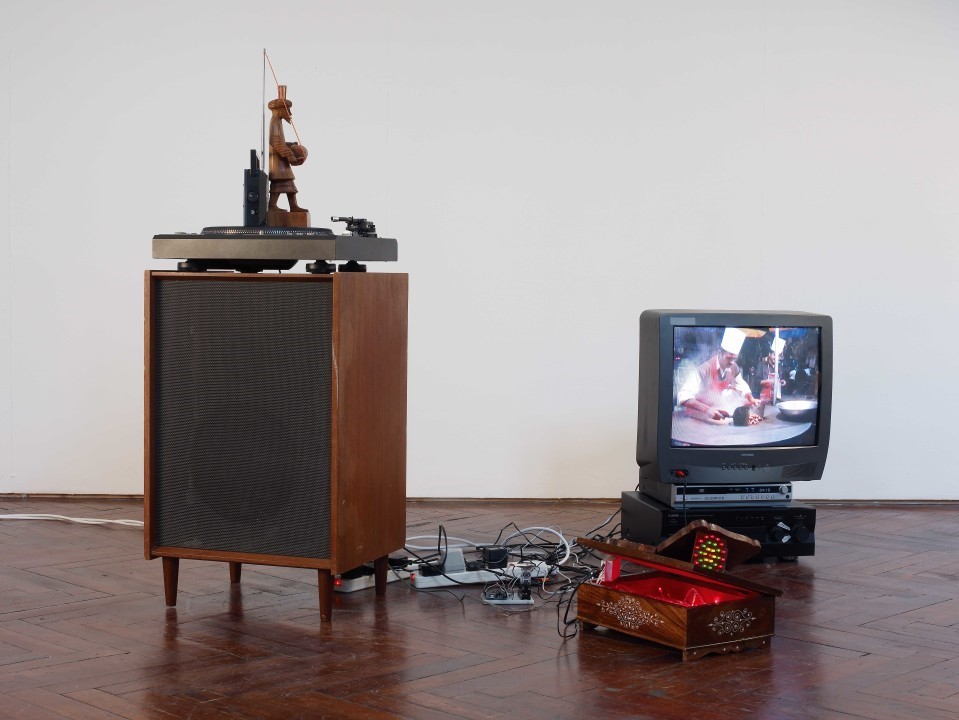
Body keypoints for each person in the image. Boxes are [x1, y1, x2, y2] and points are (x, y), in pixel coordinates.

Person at [677, 328, 759, 420]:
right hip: (696, 416)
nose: (732, 362)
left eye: (734, 358)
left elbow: (741, 385)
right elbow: (683, 395)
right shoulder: (704, 369)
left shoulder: (733, 367)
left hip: (715, 413)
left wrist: (750, 398)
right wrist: (707, 409)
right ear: (720, 353)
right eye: (728, 358)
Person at [267, 86, 308, 214]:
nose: (289, 113)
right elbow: (275, 141)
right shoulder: (274, 121)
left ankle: (293, 206)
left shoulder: (278, 121)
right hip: (278, 161)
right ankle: (273, 205)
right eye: (287, 110)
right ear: (279, 110)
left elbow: (280, 141)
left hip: (281, 161)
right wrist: (290, 154)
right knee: (279, 184)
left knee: (289, 185)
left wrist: (291, 145)